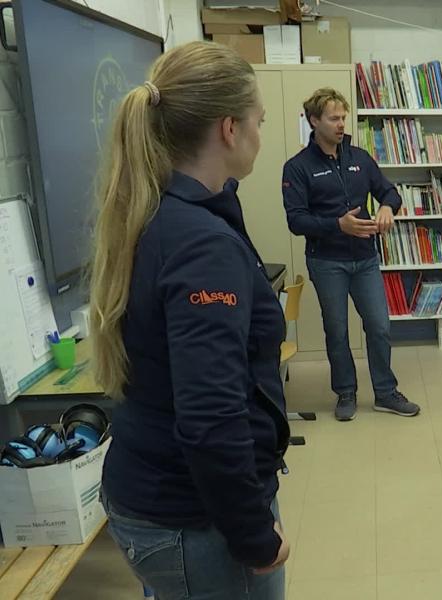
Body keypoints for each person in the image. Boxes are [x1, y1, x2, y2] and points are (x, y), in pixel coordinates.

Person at [90, 42, 289, 598]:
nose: (260, 134)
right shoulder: (200, 243)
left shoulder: (158, 211)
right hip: (191, 518)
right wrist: (254, 536)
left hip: (150, 491)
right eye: (259, 121)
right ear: (230, 129)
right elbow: (210, 414)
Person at [282, 88, 419, 421]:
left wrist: (388, 207)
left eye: (343, 117)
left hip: (365, 258)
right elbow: (296, 220)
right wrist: (336, 225)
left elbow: (389, 191)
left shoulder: (360, 159)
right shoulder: (297, 167)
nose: (341, 124)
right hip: (326, 261)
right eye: (333, 118)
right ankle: (346, 392)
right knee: (338, 330)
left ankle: (385, 393)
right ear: (314, 121)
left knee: (379, 325)